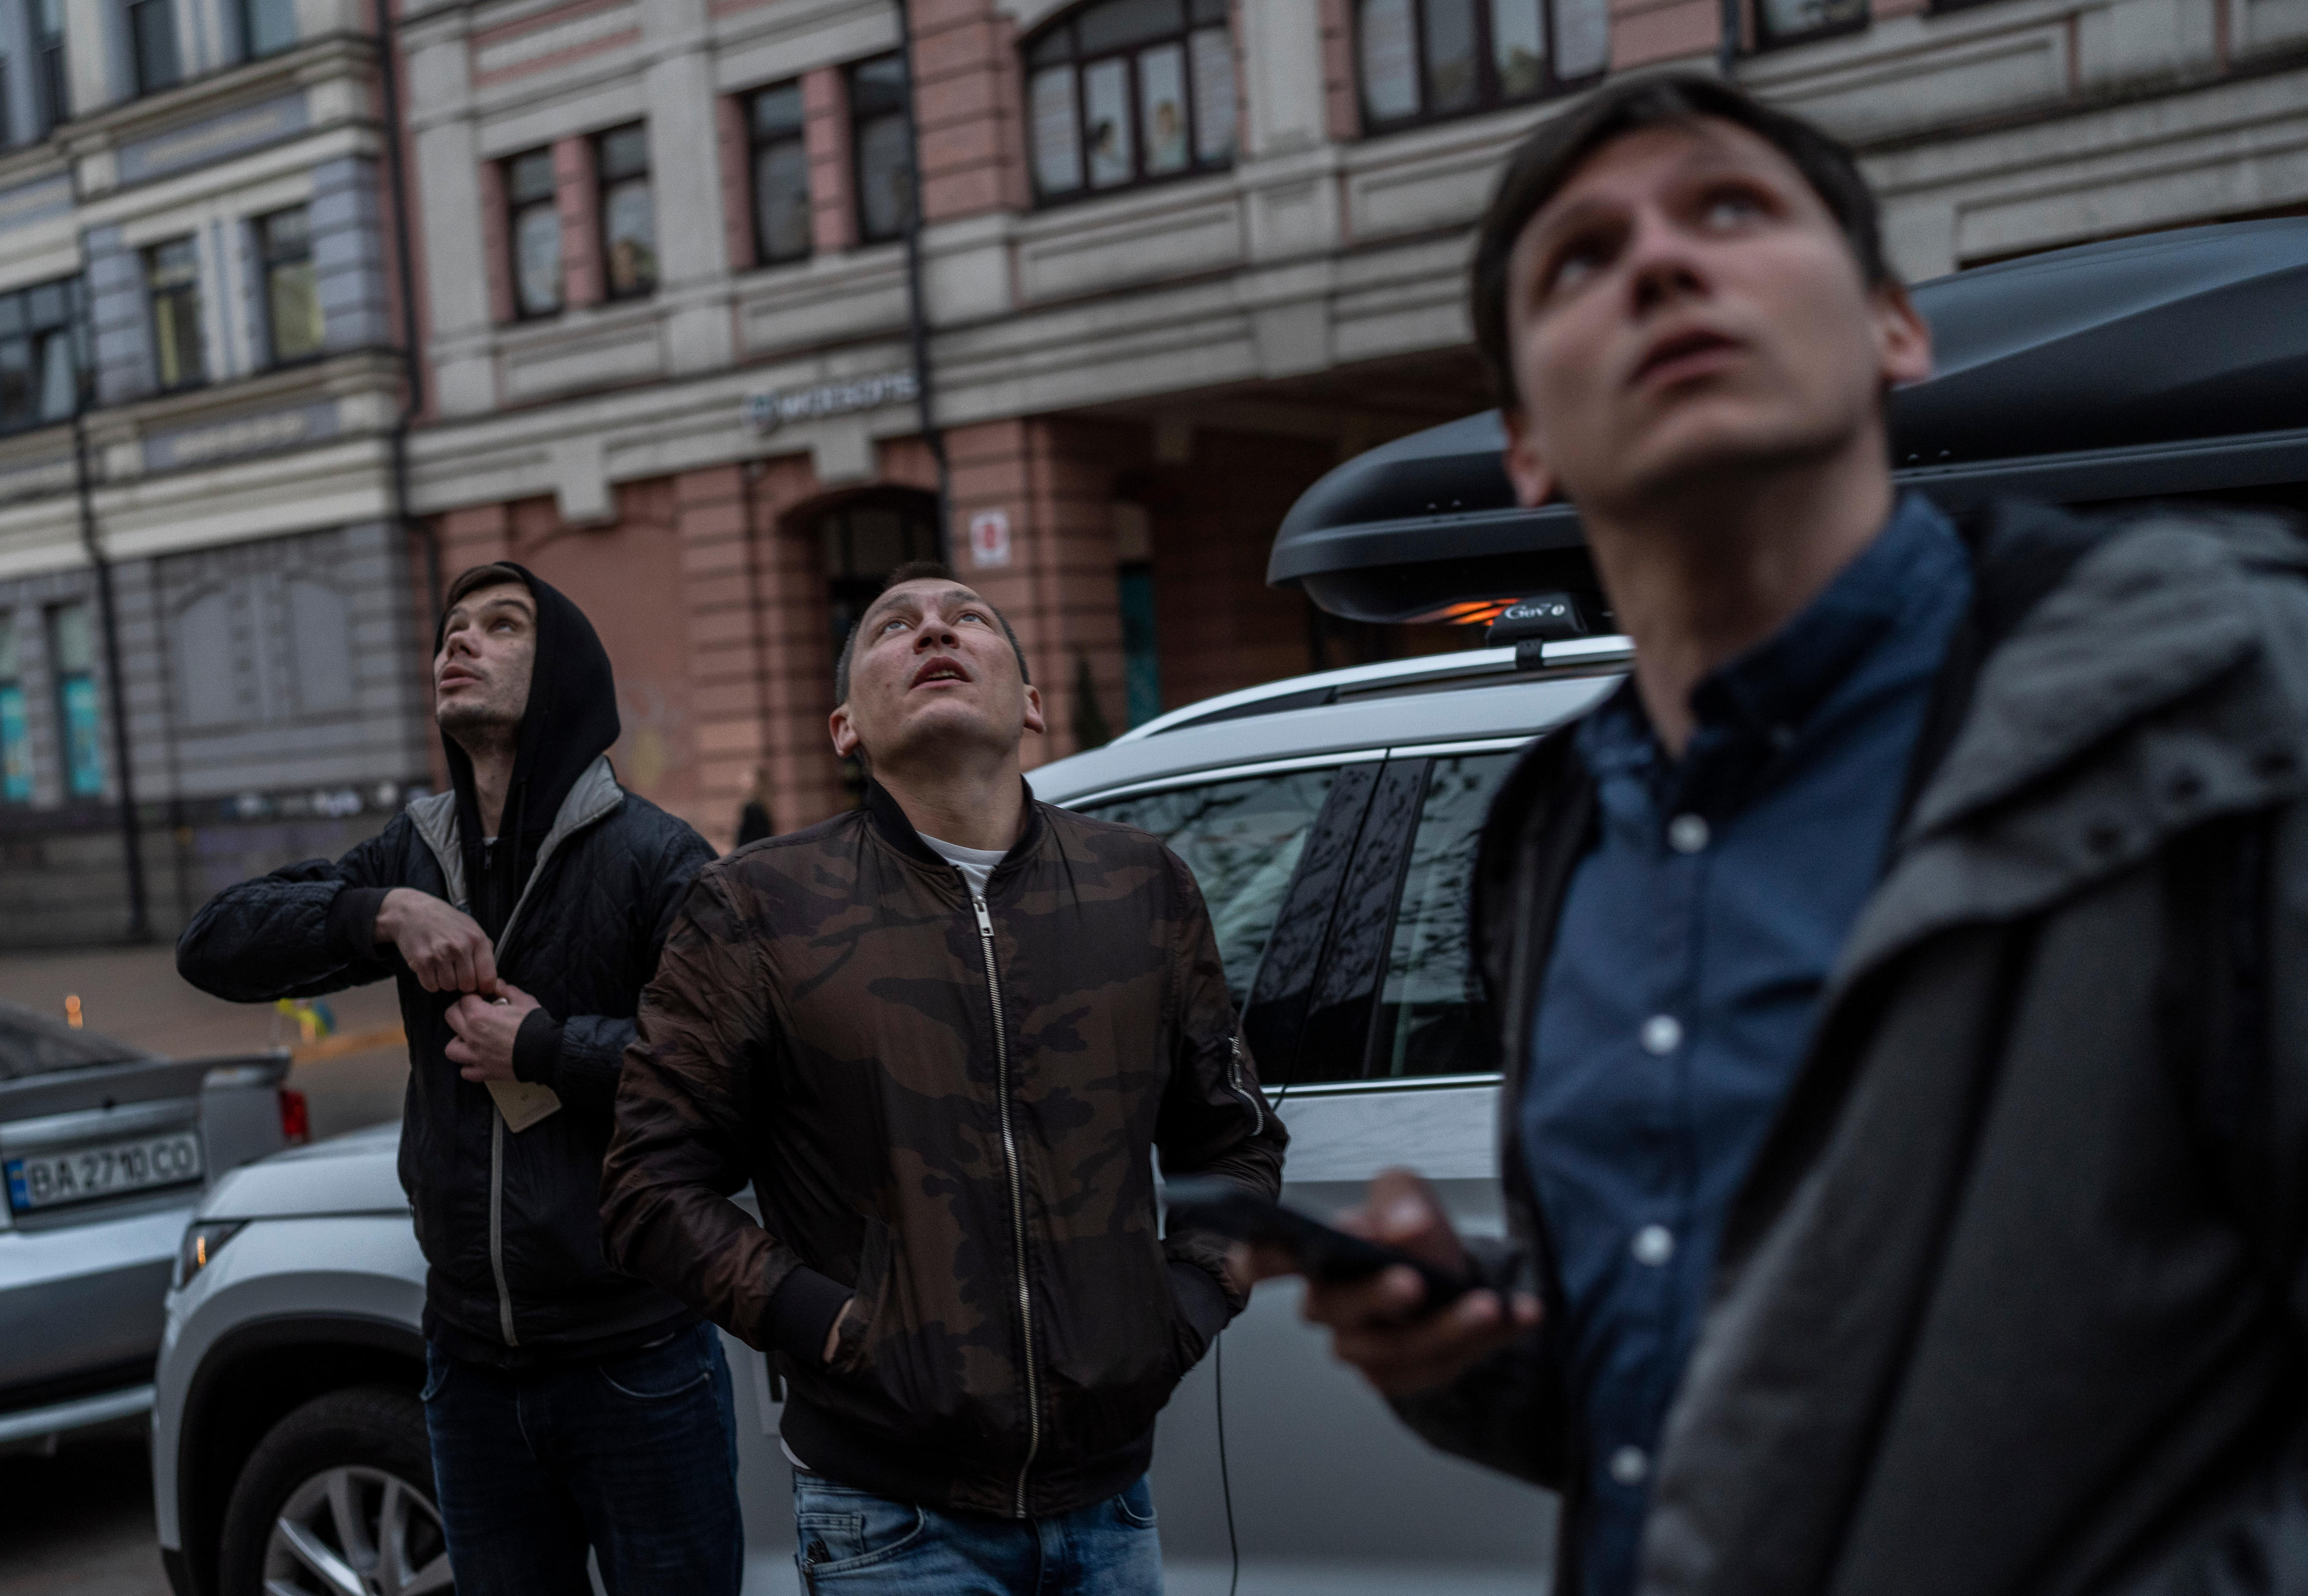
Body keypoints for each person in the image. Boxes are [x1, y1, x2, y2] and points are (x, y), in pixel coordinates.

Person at [1246, 73, 2308, 1596]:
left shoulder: (2232, 701)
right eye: (1581, 259)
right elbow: (1700, 1412)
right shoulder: (1554, 834)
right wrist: (1468, 1355)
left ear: (1895, 331)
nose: (1665, 264)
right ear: (1527, 442)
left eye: (1731, 210)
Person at [600, 561, 1288, 1594]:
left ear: (1031, 703)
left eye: (966, 618)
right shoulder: (757, 907)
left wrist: (1181, 1303)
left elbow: (1233, 1140)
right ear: (845, 727)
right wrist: (826, 1324)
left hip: (1111, 1507)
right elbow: (650, 1182)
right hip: (889, 1517)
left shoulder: (1141, 883)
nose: (933, 630)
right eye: (892, 626)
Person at [177, 563, 741, 1596]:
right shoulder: (416, 850)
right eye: (450, 628)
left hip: (638, 1356)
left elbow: (729, 1074)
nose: (459, 644)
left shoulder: (656, 857)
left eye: (500, 625)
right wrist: (382, 911)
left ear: (561, 668)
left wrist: (543, 1050)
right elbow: (213, 943)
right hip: (467, 1360)